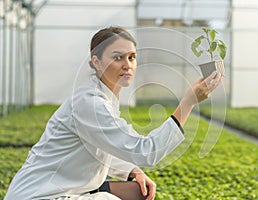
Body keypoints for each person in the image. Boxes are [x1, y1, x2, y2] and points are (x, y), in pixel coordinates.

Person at [4, 26, 222, 200]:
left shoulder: (103, 96)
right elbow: (146, 151)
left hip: (67, 187)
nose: (127, 65)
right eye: (118, 57)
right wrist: (188, 103)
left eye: (132, 57)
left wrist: (132, 171)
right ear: (96, 62)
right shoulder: (89, 103)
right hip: (41, 195)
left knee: (138, 192)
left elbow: (98, 147)